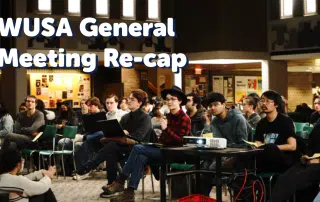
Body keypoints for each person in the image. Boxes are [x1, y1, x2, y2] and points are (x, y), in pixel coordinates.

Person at [104, 86, 191, 201]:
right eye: (168, 99)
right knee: (140, 157)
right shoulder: (168, 116)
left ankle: (120, 180)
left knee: (138, 148)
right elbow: (165, 139)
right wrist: (159, 139)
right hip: (163, 149)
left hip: (175, 153)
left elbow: (180, 141)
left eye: (173, 99)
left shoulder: (185, 118)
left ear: (180, 101)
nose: (169, 102)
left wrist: (165, 130)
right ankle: (129, 194)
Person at [75, 89, 153, 191]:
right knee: (111, 150)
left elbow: (139, 137)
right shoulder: (126, 117)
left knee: (111, 147)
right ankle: (111, 184)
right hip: (124, 146)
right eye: (129, 98)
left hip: (139, 148)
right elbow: (118, 133)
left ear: (139, 103)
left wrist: (126, 134)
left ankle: (91, 166)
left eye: (132, 99)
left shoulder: (145, 118)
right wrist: (119, 133)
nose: (128, 101)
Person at [270, 122, 320, 202]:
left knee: (297, 178)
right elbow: (311, 146)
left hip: (317, 164)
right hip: (310, 161)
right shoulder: (318, 126)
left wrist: (318, 159)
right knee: (284, 178)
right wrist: (306, 156)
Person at [254, 90, 298, 173]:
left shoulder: (285, 121)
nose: (264, 103)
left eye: (268, 101)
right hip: (266, 157)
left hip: (283, 158)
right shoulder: (261, 123)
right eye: (262, 101)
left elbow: (292, 146)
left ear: (276, 105)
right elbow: (258, 142)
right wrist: (257, 145)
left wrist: (273, 148)